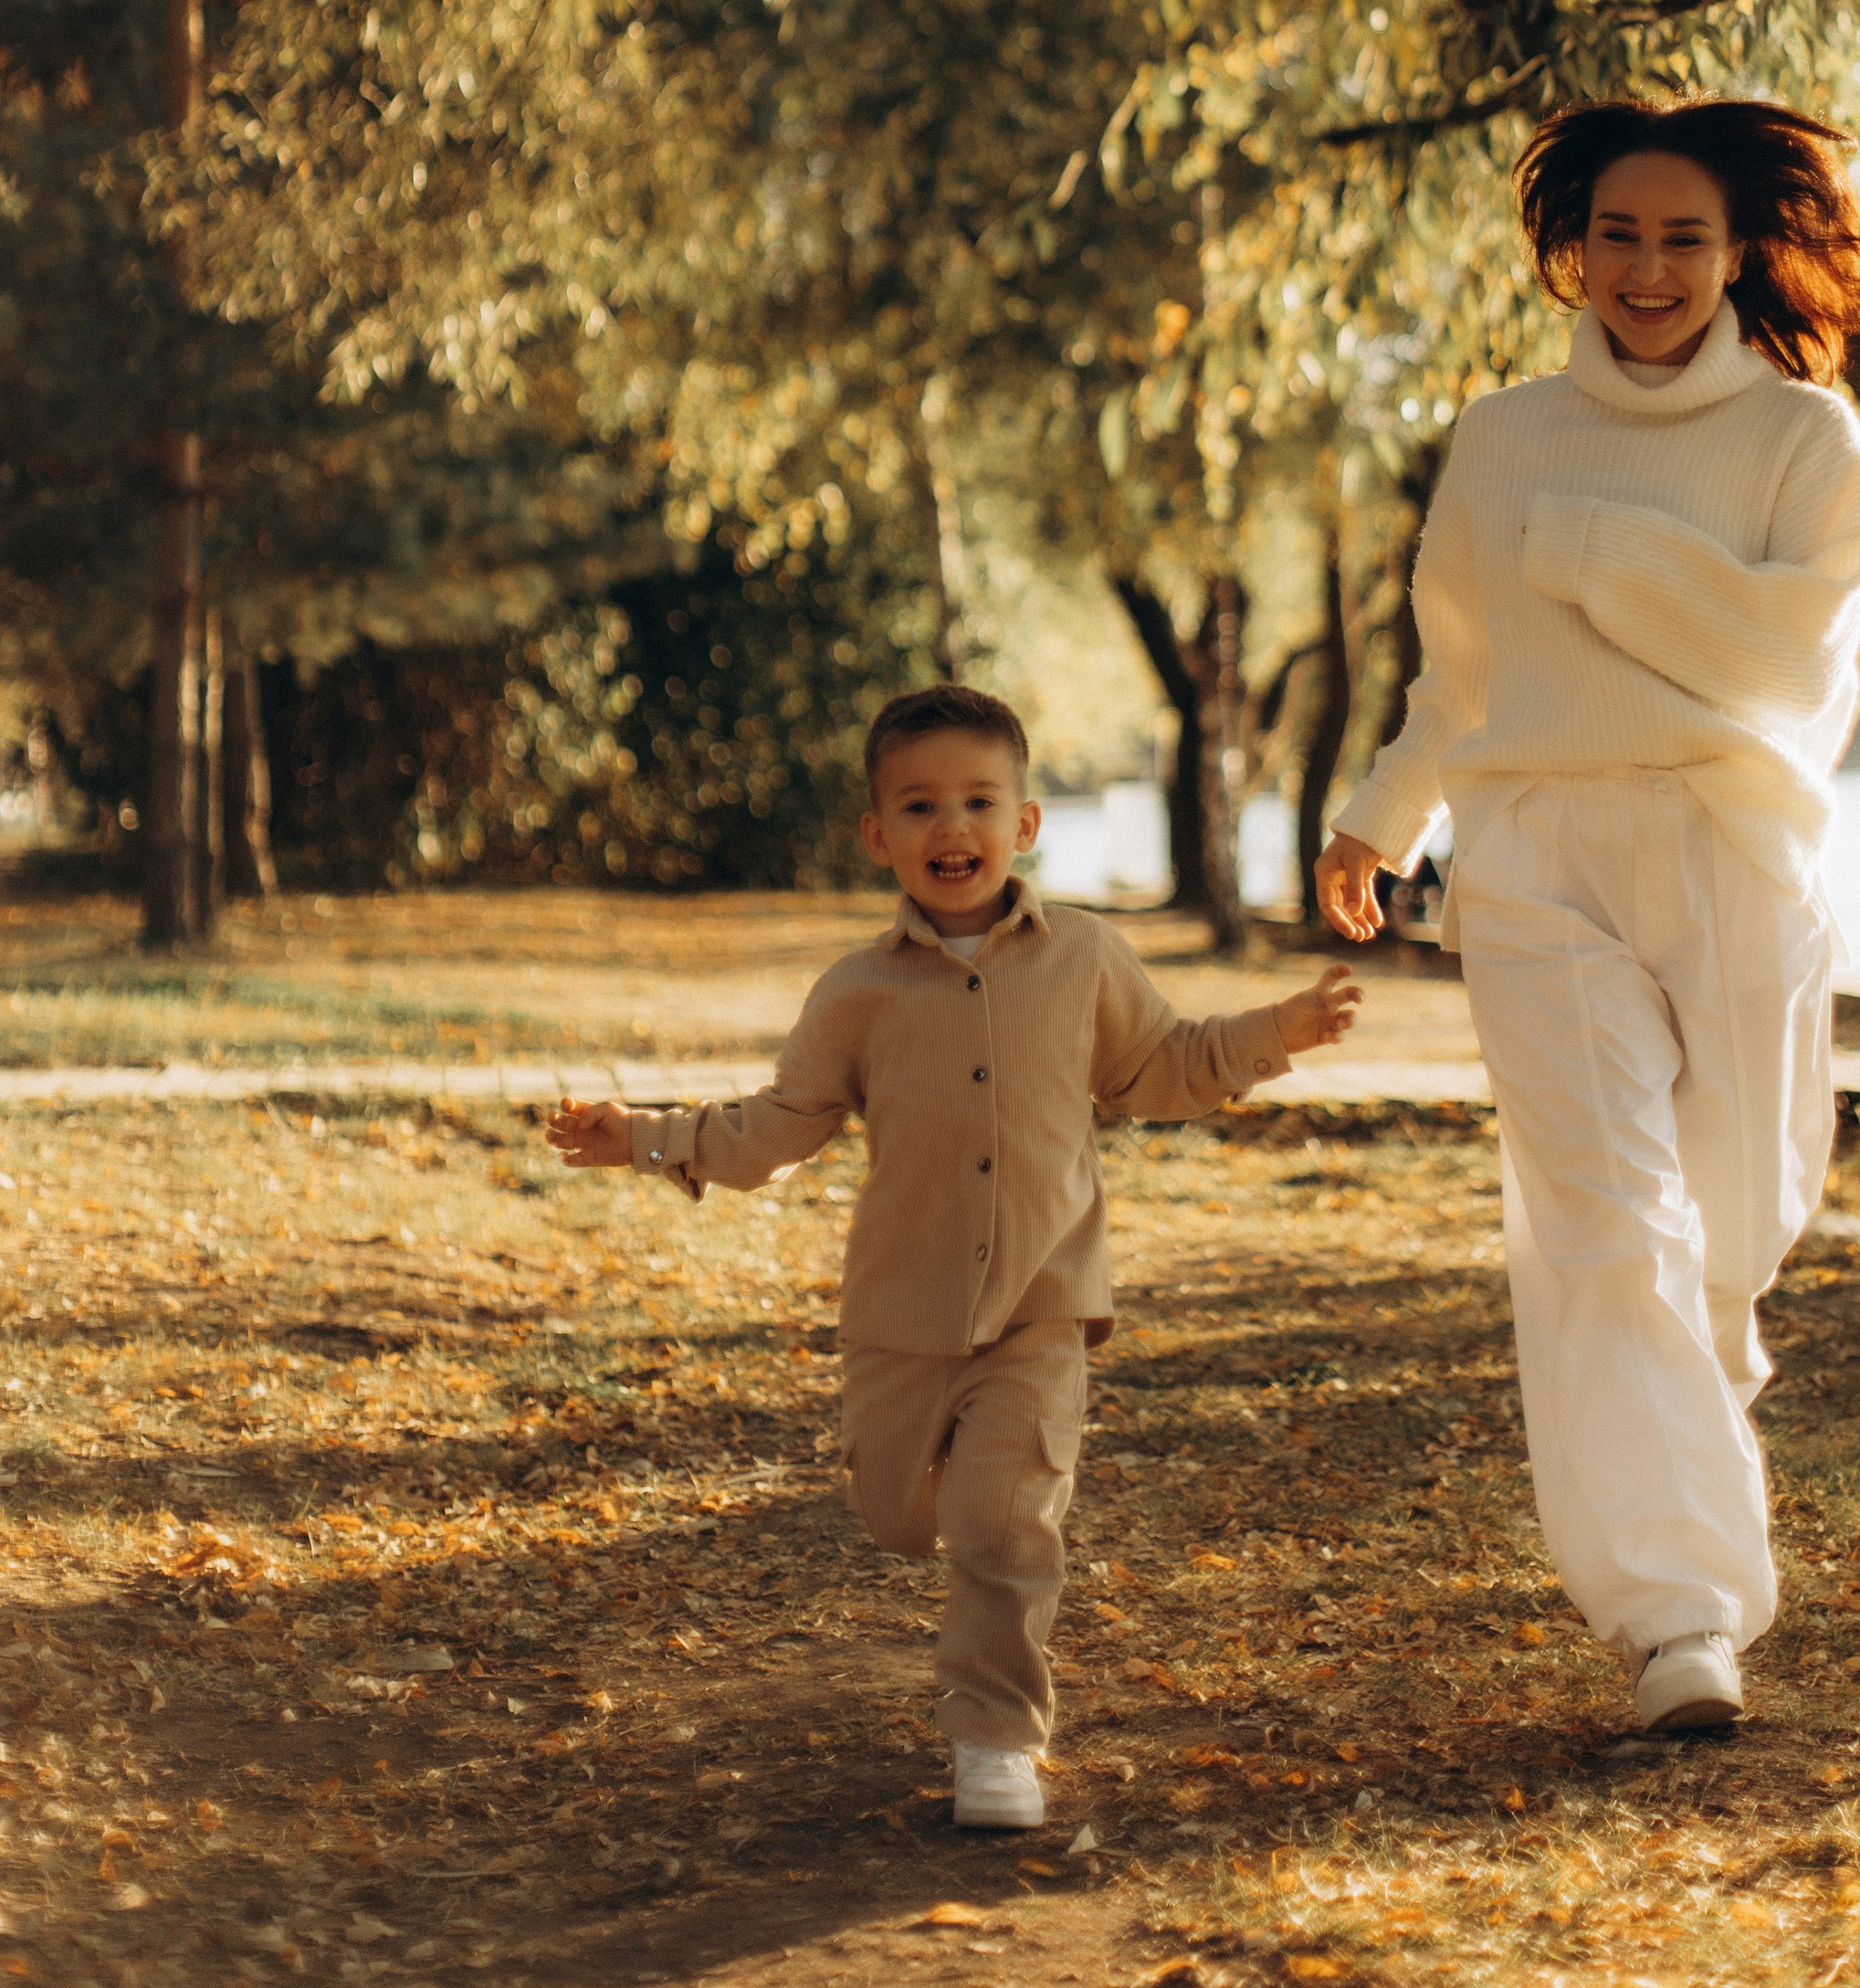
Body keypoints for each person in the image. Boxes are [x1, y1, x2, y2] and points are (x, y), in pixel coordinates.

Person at [1316, 100, 1860, 1739]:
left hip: (1734, 849)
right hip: (1541, 859)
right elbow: (1466, 669)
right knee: (1607, 1229)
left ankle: (1693, 1392)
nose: (1648, 271)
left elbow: (1789, 669)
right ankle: (1680, 1620)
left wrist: (1596, 551)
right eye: (1620, 237)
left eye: (1683, 240)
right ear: (1578, 246)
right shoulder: (1503, 436)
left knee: (1731, 1236)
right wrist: (1384, 812)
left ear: (1741, 252)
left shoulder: (1806, 443)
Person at [551, 680, 1359, 1831]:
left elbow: (1160, 1067)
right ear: (880, 837)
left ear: (1025, 824)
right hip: (899, 1312)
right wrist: (642, 1139)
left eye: (979, 801)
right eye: (921, 807)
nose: (952, 829)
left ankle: (995, 1742)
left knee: (1003, 1524)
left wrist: (1270, 1034)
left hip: (1040, 1306)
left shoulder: (1082, 959)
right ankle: (936, 1501)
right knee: (898, 1515)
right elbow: (774, 1128)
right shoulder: (858, 993)